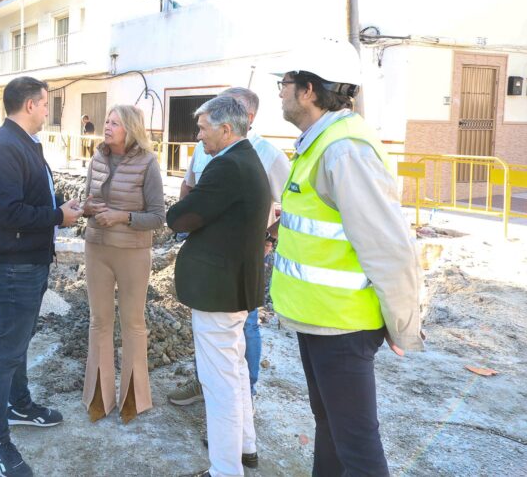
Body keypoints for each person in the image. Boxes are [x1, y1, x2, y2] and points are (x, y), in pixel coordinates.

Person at [270, 40, 423, 477]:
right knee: (332, 428)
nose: (280, 92)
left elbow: (389, 246)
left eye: (285, 84)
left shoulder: (344, 149)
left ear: (309, 91)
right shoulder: (318, 143)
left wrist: (402, 322)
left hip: (343, 326)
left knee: (356, 443)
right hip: (318, 320)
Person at [0, 76, 83, 477]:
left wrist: (58, 204)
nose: (47, 110)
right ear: (31, 105)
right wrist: (57, 216)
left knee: (17, 341)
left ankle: (19, 404)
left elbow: (27, 199)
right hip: (11, 264)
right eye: (44, 103)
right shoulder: (5, 148)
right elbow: (8, 213)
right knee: (6, 352)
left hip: (27, 261)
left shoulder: (24, 144)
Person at [167, 96, 271, 477]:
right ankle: (246, 449)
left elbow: (180, 217)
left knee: (219, 380)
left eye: (203, 128)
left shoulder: (226, 166)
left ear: (226, 129)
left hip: (218, 290)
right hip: (233, 286)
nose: (198, 135)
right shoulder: (245, 159)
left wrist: (183, 207)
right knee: (236, 369)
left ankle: (225, 469)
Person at [169, 87, 290, 407]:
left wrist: (269, 239)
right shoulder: (211, 149)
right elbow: (191, 186)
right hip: (213, 262)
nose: (198, 135)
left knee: (241, 334)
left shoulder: (266, 154)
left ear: (243, 120)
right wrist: (185, 223)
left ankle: (241, 398)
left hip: (238, 262)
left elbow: (293, 205)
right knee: (216, 349)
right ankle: (206, 385)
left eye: (203, 127)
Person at [81, 105, 166, 424]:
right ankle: (99, 398)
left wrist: (123, 216)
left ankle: (134, 398)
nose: (107, 126)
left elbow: (158, 216)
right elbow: (86, 199)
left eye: (115, 122)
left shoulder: (148, 162)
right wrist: (87, 207)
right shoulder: (97, 158)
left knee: (133, 324)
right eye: (106, 121)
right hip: (96, 248)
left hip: (132, 252)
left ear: (131, 128)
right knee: (98, 322)